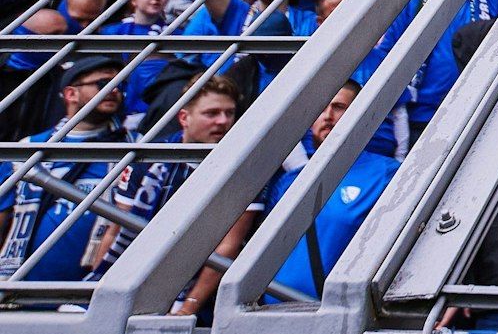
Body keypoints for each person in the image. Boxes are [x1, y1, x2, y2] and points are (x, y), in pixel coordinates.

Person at [87, 78, 258, 318]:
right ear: (184, 118)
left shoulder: (245, 166)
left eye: (229, 113)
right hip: (132, 276)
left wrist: (187, 308)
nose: (223, 121)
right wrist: (99, 293)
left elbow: (227, 247)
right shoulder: (149, 155)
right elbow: (116, 229)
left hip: (197, 297)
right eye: (211, 113)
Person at [0, 56, 129, 281]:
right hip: (19, 286)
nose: (113, 90)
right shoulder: (28, 149)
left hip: (89, 290)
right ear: (71, 94)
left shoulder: (134, 149)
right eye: (102, 83)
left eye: (119, 85)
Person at [266, 81, 399, 298]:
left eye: (339, 107)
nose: (328, 115)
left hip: (337, 315)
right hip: (269, 313)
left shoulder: (387, 174)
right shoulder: (288, 182)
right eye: (321, 107)